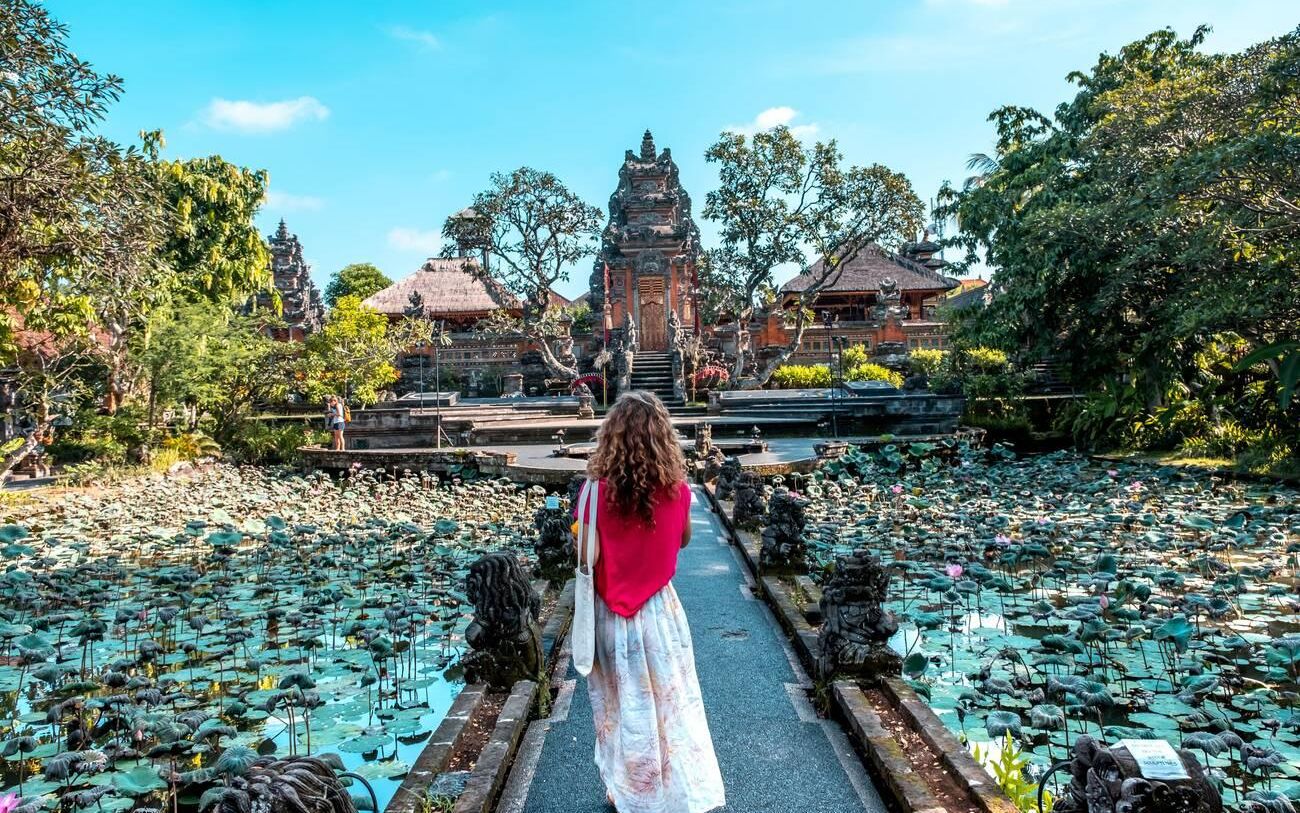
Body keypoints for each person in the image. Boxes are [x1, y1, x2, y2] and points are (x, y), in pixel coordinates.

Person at [573, 390, 725, 813]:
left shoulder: (593, 494)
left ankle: (630, 791)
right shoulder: (676, 491)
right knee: (670, 704)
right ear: (663, 437)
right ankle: (675, 789)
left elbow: (589, 557)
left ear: (611, 437)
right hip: (660, 613)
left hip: (609, 615)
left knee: (622, 707)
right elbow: (683, 540)